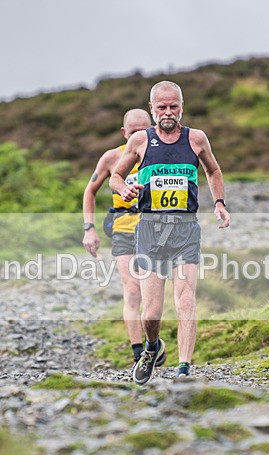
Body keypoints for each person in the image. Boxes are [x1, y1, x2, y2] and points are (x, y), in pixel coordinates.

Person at [109, 80, 230, 384]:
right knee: (151, 311)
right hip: (149, 229)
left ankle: (184, 369)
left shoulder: (196, 139)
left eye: (173, 106)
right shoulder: (140, 141)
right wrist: (124, 190)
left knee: (186, 299)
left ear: (182, 107)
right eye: (161, 107)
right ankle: (151, 347)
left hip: (185, 229)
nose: (168, 112)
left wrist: (219, 202)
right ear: (152, 109)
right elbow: (115, 176)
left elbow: (213, 170)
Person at [82, 109, 165, 367]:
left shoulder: (162, 152)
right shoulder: (112, 157)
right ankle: (139, 354)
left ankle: (154, 343)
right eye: (133, 133)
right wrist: (89, 228)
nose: (138, 137)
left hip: (156, 230)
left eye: (143, 131)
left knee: (153, 295)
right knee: (131, 291)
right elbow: (90, 191)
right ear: (123, 133)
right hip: (124, 230)